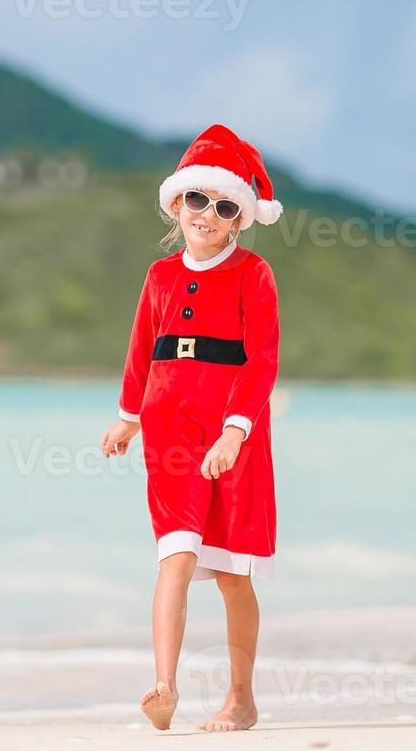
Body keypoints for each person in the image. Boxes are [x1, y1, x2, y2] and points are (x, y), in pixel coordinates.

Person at [100, 123, 283, 732]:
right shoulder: (158, 276)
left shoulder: (254, 274)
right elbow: (140, 352)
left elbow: (262, 361)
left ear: (239, 218)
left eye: (224, 205)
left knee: (232, 573)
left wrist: (235, 433)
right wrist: (128, 419)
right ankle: (164, 687)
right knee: (174, 556)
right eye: (197, 200)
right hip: (169, 436)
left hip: (233, 439)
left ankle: (241, 699)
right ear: (177, 203)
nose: (207, 214)